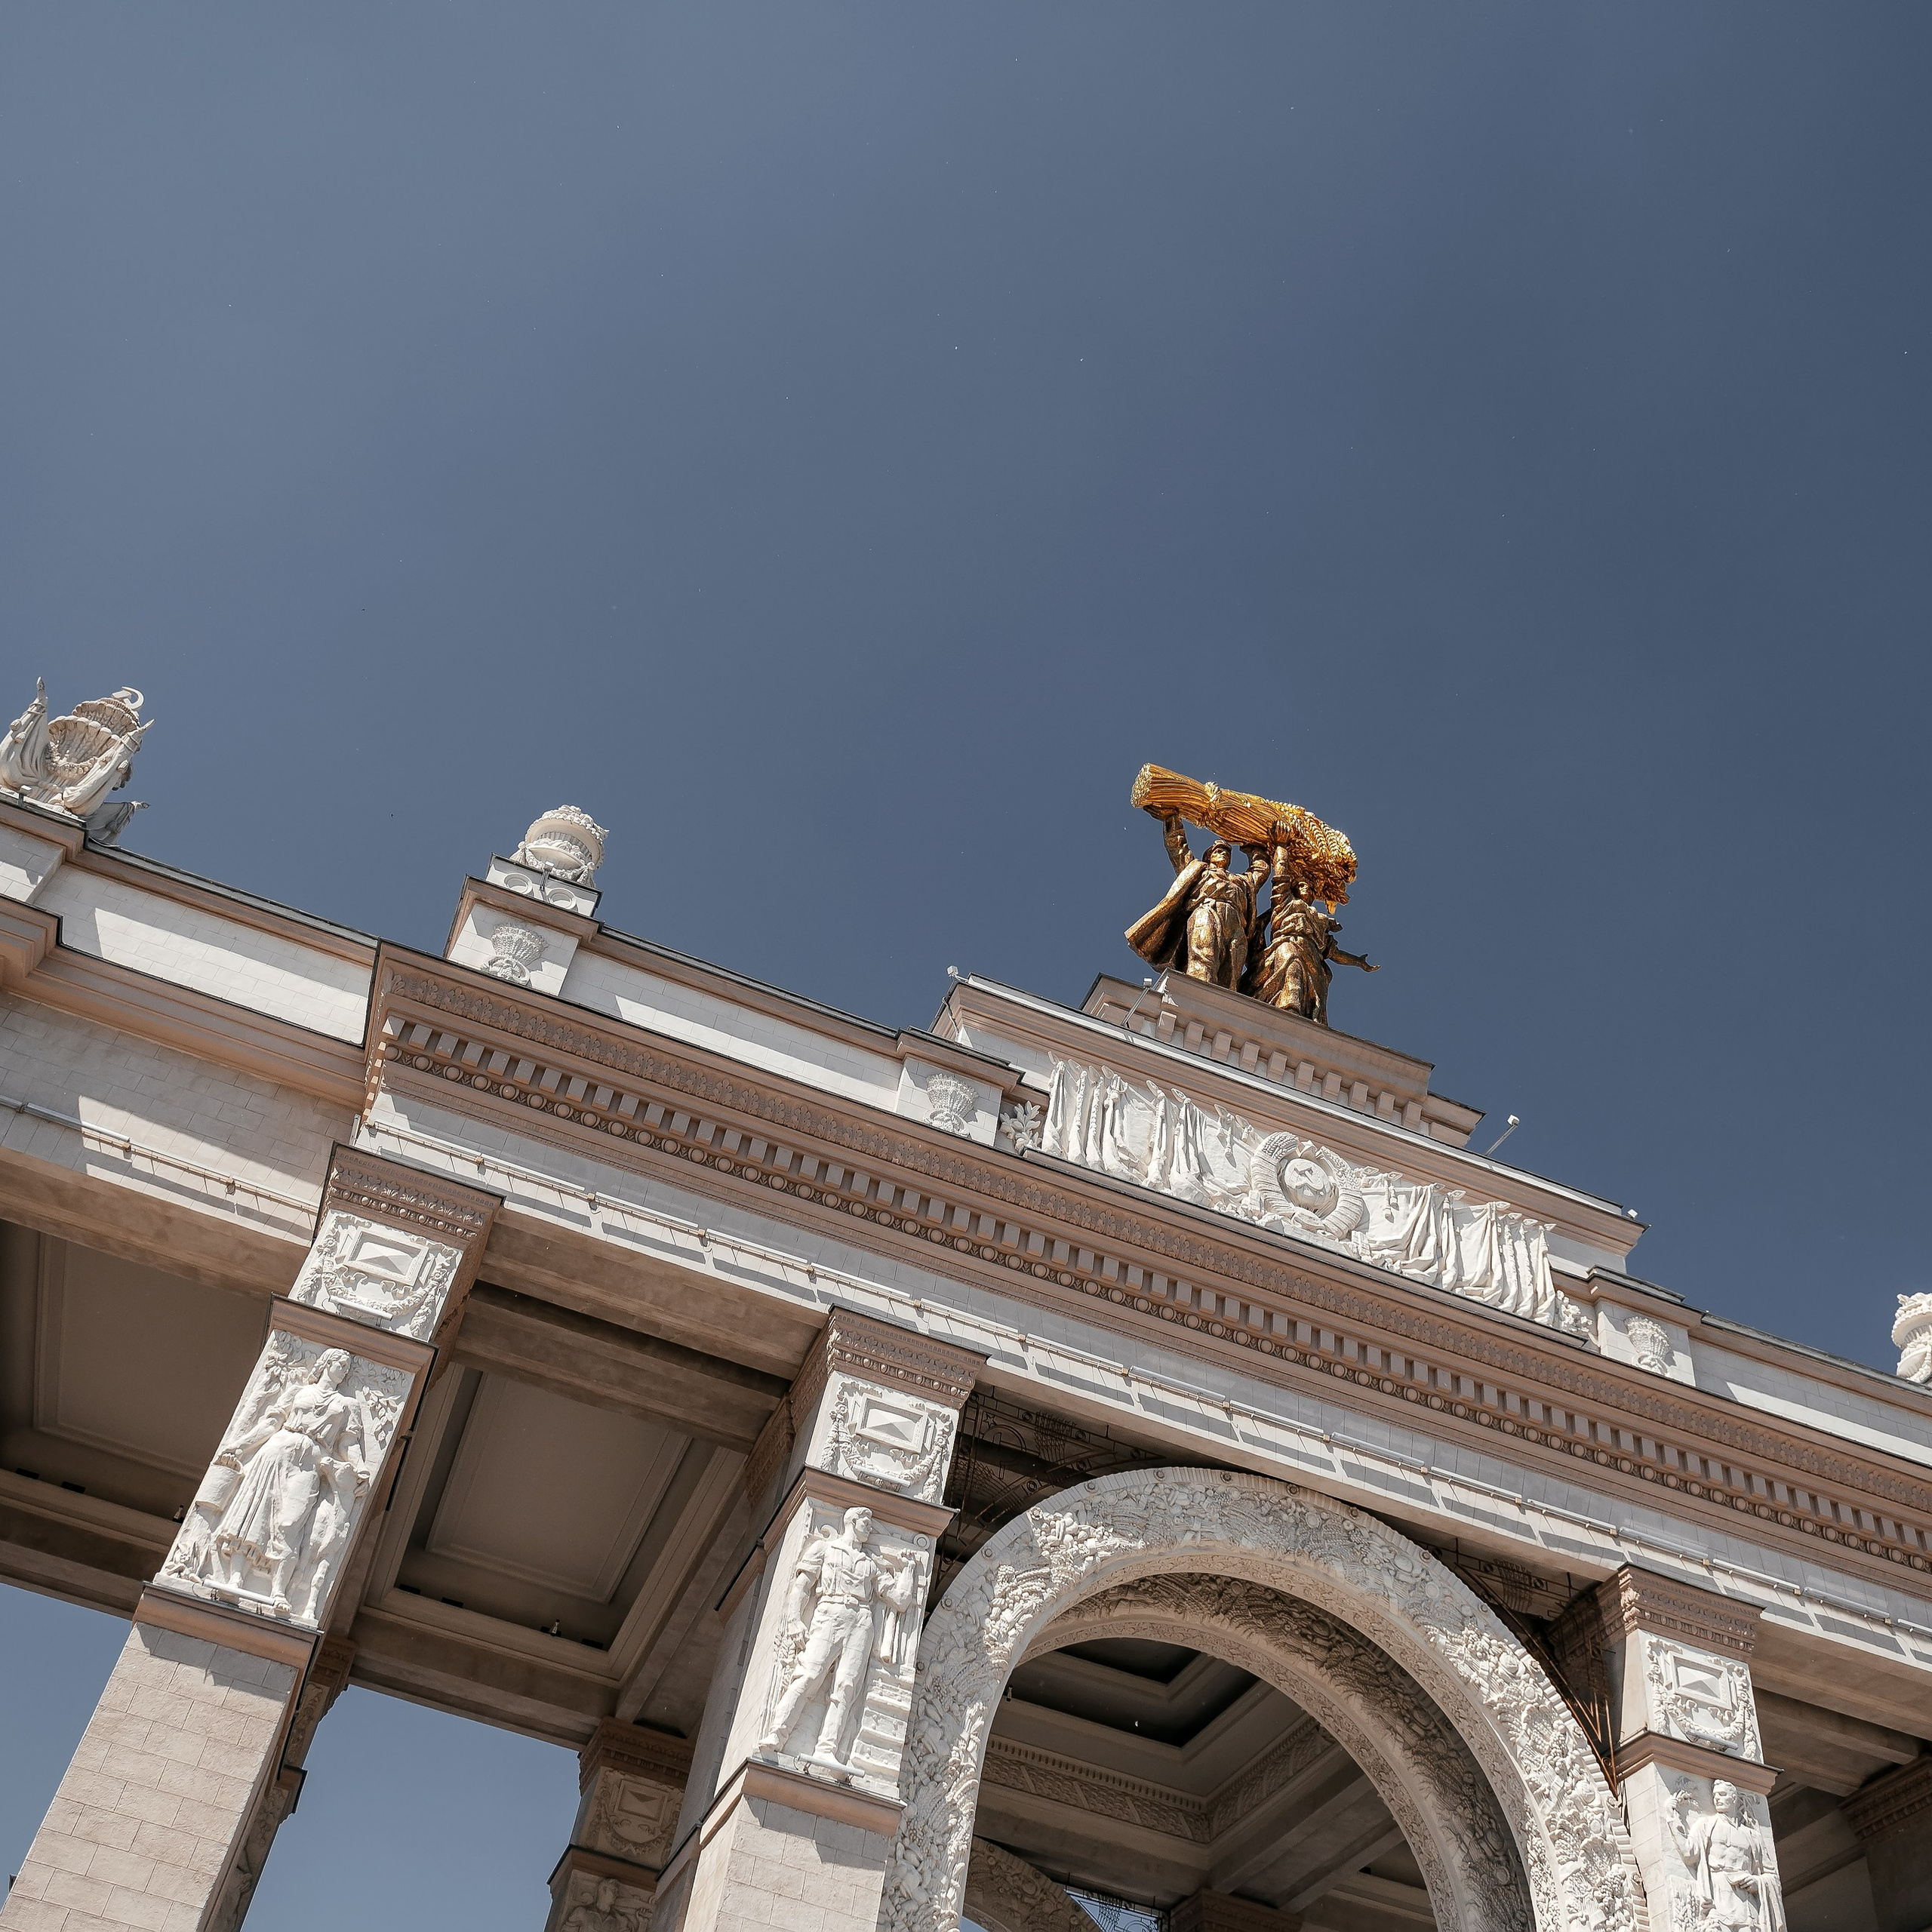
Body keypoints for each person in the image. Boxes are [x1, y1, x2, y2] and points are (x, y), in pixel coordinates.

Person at [208, 1349, 371, 1619]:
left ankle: (278, 1590)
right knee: (255, 1512)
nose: (344, 1369)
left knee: (291, 1522)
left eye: (347, 1367)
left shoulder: (347, 1405)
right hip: (276, 1451)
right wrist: (239, 1447)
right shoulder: (298, 1392)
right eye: (340, 1364)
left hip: (311, 1461)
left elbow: (347, 1442)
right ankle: (236, 1578)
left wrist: (361, 1467)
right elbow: (271, 1424)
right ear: (326, 1364)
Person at [760, 1506, 917, 1768]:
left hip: (861, 1622)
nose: (869, 1527)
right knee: (809, 1674)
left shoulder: (871, 1564)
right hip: (829, 1612)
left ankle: (827, 1749)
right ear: (852, 1521)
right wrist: (795, 1619)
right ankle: (777, 1734)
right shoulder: (825, 1549)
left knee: (846, 1687)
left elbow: (900, 1601)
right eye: (866, 1522)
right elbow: (802, 1586)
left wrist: (910, 1569)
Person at [1125, 811, 1269, 989]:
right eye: (1219, 851)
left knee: (1232, 973)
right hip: (1207, 913)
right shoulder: (1200, 871)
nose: (1224, 854)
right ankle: (1196, 998)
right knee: (1204, 958)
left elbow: (1261, 870)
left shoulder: (1242, 882)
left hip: (1236, 925)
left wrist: (1257, 841)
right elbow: (1178, 847)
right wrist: (1172, 815)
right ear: (1209, 856)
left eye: (1227, 852)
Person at [1246, 846, 1377, 1024]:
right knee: (1292, 970)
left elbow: (1333, 953)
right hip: (1289, 944)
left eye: (1308, 886)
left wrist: (1358, 962)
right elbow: (1281, 877)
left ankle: (1302, 1024)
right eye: (1300, 885)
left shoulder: (1321, 920)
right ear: (1293, 890)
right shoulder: (1284, 903)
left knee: (1313, 998)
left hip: (1313, 957)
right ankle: (1288, 1012)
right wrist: (1281, 846)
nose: (1305, 887)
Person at [1669, 1781, 1786, 1932]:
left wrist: (1757, 1882)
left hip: (1746, 1902)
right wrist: (1672, 1816)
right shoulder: (1705, 1826)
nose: (1717, 1798)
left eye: (1722, 1794)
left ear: (1734, 1798)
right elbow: (1689, 1854)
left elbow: (1772, 1876)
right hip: (1718, 1896)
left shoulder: (1752, 1836)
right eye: (1715, 1795)